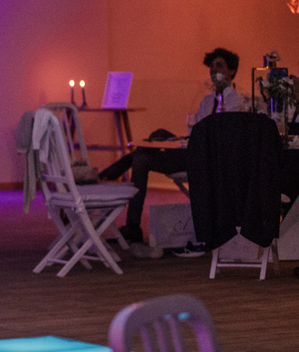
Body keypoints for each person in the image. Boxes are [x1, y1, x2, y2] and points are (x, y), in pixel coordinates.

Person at [99, 47, 250, 246]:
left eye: (219, 66)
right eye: (211, 66)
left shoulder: (235, 100)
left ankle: (118, 190)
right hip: (194, 150)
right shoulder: (207, 101)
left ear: (232, 71)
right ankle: (119, 184)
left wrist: (196, 138)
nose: (213, 70)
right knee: (157, 137)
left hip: (207, 159)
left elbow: (219, 134)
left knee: (143, 156)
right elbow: (197, 131)